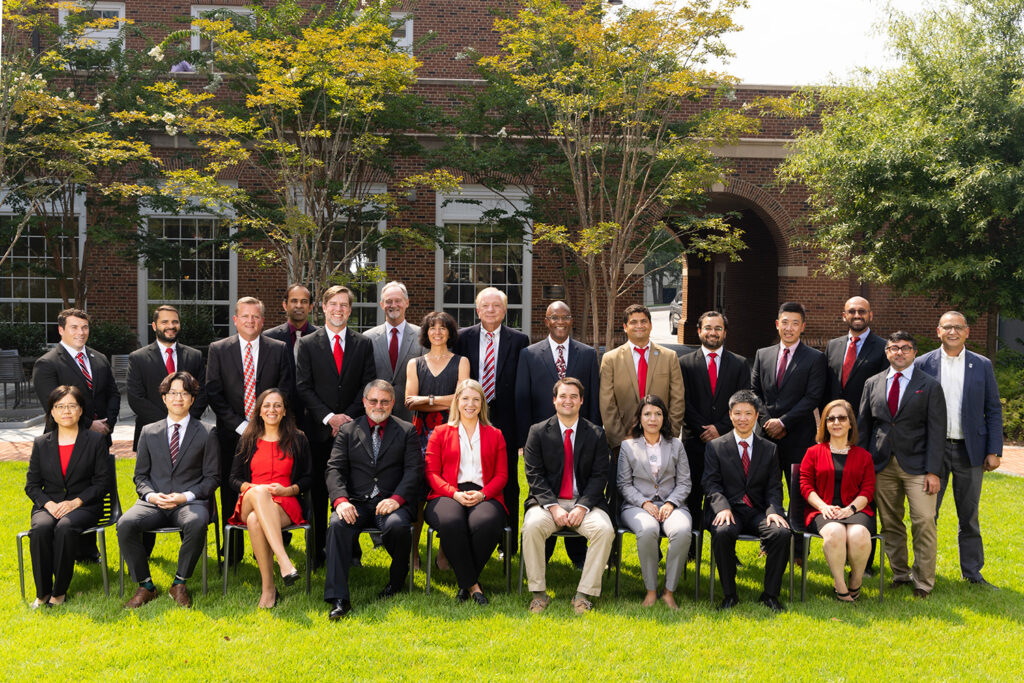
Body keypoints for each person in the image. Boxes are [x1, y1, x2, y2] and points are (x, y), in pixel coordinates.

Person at [118, 371, 220, 609]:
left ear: (192, 399)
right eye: (173, 393)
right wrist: (152, 496)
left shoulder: (206, 432)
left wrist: (185, 496)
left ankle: (179, 583)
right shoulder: (148, 431)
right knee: (125, 523)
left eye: (184, 393)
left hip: (189, 502)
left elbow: (212, 477)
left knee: (196, 522)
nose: (178, 398)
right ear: (164, 398)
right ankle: (146, 586)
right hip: (154, 502)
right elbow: (140, 476)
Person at [324, 381, 423, 619]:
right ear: (365, 402)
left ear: (392, 403)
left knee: (398, 527)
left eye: (384, 401)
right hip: (355, 502)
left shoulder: (406, 430)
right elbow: (334, 469)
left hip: (390, 501)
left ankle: (396, 581)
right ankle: (339, 599)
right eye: (374, 401)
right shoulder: (347, 431)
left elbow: (414, 471)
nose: (379, 406)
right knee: (337, 524)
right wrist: (341, 501)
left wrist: (398, 499)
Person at [917, 312, 1002, 588]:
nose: (952, 331)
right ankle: (922, 571)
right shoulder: (923, 364)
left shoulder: (982, 365)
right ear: (938, 331)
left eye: (958, 327)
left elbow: (993, 409)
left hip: (971, 450)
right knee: (928, 515)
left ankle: (973, 574)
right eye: (947, 327)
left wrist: (994, 449)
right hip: (934, 451)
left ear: (967, 332)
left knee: (969, 515)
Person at [206, 297, 294, 564]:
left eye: (255, 316)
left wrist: (265, 424)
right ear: (235, 320)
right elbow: (214, 391)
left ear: (263, 321)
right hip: (230, 434)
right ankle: (232, 553)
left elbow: (285, 388)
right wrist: (242, 425)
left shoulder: (278, 348)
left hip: (271, 433)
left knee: (268, 486)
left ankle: (266, 546)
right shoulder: (218, 349)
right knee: (231, 488)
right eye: (245, 316)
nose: (250, 321)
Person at [858, 331, 945, 598]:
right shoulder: (873, 383)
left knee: (924, 521)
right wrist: (862, 467)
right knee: (891, 522)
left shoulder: (929, 385)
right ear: (887, 352)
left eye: (905, 348)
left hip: (918, 466)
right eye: (894, 348)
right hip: (882, 465)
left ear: (914, 352)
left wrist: (933, 471)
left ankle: (923, 582)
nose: (899, 352)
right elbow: (863, 427)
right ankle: (900, 574)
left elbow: (937, 430)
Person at [514, 300, 600, 569]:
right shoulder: (529, 354)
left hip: (579, 437)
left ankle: (578, 553)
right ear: (546, 321)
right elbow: (522, 398)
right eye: (555, 317)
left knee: (577, 487)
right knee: (544, 488)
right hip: (543, 439)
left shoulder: (586, 354)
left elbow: (593, 399)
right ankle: (541, 553)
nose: (560, 321)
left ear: (571, 320)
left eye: (566, 316)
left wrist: (594, 436)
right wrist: (523, 440)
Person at [296, 285, 376, 567]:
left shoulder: (363, 343)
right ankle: (317, 552)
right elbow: (303, 386)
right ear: (323, 307)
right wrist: (330, 417)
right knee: (318, 492)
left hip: (354, 432)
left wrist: (347, 417)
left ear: (350, 310)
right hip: (319, 432)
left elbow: (368, 383)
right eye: (334, 304)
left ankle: (351, 553)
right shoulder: (307, 343)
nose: (339, 309)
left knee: (352, 490)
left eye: (344, 305)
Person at [32, 307, 120, 563]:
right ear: (61, 330)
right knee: (68, 488)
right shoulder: (47, 363)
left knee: (92, 489)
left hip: (99, 441)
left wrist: (108, 425)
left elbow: (113, 394)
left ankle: (88, 551)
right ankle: (63, 550)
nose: (80, 332)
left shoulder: (99, 358)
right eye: (74, 327)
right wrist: (90, 424)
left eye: (84, 327)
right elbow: (53, 404)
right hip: (64, 441)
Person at [522, 378, 614, 615]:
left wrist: (581, 507)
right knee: (531, 526)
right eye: (563, 396)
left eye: (574, 396)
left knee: (604, 530)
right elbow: (534, 475)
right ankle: (539, 595)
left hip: (585, 504)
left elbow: (599, 476)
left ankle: (584, 595)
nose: (568, 401)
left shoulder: (595, 434)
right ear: (554, 400)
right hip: (547, 505)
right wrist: (554, 507)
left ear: (581, 401)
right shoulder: (538, 432)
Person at [24, 386, 113, 608]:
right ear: (51, 412)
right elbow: (32, 485)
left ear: (81, 410)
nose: (66, 411)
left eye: (72, 406)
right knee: (41, 528)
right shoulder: (41, 443)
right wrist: (49, 504)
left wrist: (76, 502)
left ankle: (59, 592)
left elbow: (103, 482)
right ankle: (42, 592)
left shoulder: (95, 441)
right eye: (60, 406)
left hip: (84, 505)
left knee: (64, 527)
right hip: (49, 505)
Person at [453, 287, 529, 551]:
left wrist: (521, 433)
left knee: (506, 479)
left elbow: (521, 386)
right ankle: (469, 535)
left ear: (505, 310)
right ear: (477, 310)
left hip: (505, 417)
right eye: (485, 306)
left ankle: (507, 545)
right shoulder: (462, 338)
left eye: (496, 306)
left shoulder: (519, 340)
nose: (491, 310)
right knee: (470, 473)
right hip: (471, 415)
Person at [750, 301, 826, 559]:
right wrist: (767, 421)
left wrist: (784, 422)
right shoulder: (763, 354)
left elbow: (813, 397)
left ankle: (797, 551)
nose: (789, 328)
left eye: (795, 323)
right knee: (765, 489)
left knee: (797, 494)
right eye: (785, 322)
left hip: (798, 436)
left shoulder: (815, 359)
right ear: (777, 324)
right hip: (765, 436)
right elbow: (755, 392)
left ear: (803, 326)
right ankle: (767, 542)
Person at [703, 390, 790, 612]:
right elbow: (711, 484)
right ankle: (730, 594)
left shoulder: (770, 449)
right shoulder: (715, 446)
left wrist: (774, 511)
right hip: (729, 509)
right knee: (722, 532)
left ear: (757, 415)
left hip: (757, 510)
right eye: (738, 413)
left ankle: (770, 594)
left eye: (748, 413)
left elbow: (774, 486)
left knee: (781, 533)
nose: (743, 418)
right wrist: (721, 507)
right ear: (730, 415)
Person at [424, 379, 508, 605]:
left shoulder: (495, 434)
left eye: (476, 399)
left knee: (487, 523)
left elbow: (502, 476)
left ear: (482, 403)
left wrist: (483, 494)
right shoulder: (440, 433)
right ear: (457, 402)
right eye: (465, 399)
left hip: (485, 493)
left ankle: (464, 583)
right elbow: (431, 474)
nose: (470, 404)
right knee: (452, 522)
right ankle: (472, 585)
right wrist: (454, 494)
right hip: (447, 493)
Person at [228, 388, 312, 608]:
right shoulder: (248, 438)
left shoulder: (298, 439)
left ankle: (268, 590)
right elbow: (234, 479)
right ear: (259, 411)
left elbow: (309, 477)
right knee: (260, 493)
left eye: (277, 405)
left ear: (284, 411)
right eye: (266, 405)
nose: (271, 409)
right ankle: (284, 561)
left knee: (256, 520)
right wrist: (255, 488)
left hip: (285, 502)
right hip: (250, 499)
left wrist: (289, 490)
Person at [403, 311, 469, 569]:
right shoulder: (415, 364)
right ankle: (414, 553)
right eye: (432, 328)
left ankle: (444, 552)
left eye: (443, 328)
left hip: (453, 432)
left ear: (450, 333)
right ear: (426, 332)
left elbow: (463, 400)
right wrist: (445, 399)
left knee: (449, 489)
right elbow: (409, 401)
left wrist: (426, 400)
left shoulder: (461, 361)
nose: (438, 332)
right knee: (419, 493)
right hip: (421, 437)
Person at [617, 395, 692, 609]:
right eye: (647, 414)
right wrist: (644, 503)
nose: (653, 419)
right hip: (637, 506)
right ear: (639, 418)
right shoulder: (628, 446)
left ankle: (669, 592)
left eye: (658, 414)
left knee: (682, 530)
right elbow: (623, 484)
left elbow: (685, 482)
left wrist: (670, 503)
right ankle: (651, 591)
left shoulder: (676, 445)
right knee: (648, 530)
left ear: (664, 418)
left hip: (672, 504)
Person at [799, 399, 875, 602]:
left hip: (856, 510)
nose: (836, 422)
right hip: (821, 511)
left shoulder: (864, 456)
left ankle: (856, 581)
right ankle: (840, 586)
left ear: (851, 423)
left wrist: (850, 509)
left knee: (858, 535)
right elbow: (806, 486)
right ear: (825, 424)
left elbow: (868, 490)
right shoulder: (813, 453)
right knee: (835, 532)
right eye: (830, 419)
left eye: (842, 418)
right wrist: (824, 507)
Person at [679, 311, 749, 527]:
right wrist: (703, 429)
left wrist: (720, 428)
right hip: (694, 442)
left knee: (727, 496)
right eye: (708, 328)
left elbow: (743, 401)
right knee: (691, 496)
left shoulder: (740, 364)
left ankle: (726, 548)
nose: (713, 332)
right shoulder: (684, 363)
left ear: (725, 333)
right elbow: (682, 400)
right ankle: (690, 548)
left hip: (727, 442)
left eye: (718, 328)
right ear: (699, 331)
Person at [599, 303, 685, 453]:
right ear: (625, 327)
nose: (639, 325)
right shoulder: (610, 359)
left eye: (644, 321)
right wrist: (619, 441)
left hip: (661, 441)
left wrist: (668, 436)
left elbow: (678, 399)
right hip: (624, 439)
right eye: (633, 322)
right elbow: (607, 404)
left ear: (651, 325)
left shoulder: (669, 357)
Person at [127, 305, 207, 452]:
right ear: (154, 326)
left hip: (189, 432)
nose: (171, 326)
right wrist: (168, 423)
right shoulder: (138, 358)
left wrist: (184, 421)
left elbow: (202, 393)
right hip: (151, 432)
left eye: (175, 322)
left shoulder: (195, 356)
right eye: (164, 322)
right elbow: (135, 397)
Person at [365, 281, 427, 422]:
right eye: (388, 301)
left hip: (411, 415)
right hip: (376, 414)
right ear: (382, 305)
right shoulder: (368, 338)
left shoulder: (422, 336)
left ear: (406, 303)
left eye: (398, 301)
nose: (393, 305)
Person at [824, 297, 888, 409]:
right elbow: (825, 384)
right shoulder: (832, 346)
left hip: (866, 419)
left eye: (862, 311)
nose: (857, 315)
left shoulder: (884, 347)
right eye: (852, 311)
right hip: (835, 418)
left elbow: (884, 388)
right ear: (844, 316)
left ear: (871, 315)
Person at [264, 283, 318, 369]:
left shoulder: (321, 337)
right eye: (294, 301)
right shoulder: (269, 338)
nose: (299, 305)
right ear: (285, 306)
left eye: (304, 301)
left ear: (310, 307)